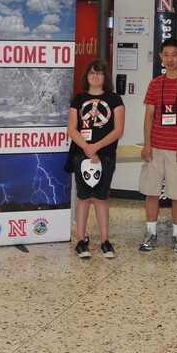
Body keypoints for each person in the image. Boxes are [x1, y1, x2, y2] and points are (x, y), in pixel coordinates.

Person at [140, 38, 177, 253]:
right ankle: (151, 233)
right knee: (152, 192)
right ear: (160, 57)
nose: (170, 59)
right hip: (155, 146)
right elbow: (149, 115)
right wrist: (147, 144)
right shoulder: (155, 84)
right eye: (166, 55)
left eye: (174, 54)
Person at [66, 59, 125, 259]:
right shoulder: (78, 99)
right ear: (86, 76)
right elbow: (72, 129)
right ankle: (80, 241)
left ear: (105, 77)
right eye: (91, 72)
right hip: (81, 154)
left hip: (105, 155)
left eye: (99, 73)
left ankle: (105, 241)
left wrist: (96, 147)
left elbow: (118, 130)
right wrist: (87, 148)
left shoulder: (114, 99)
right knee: (83, 198)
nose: (95, 76)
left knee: (101, 198)